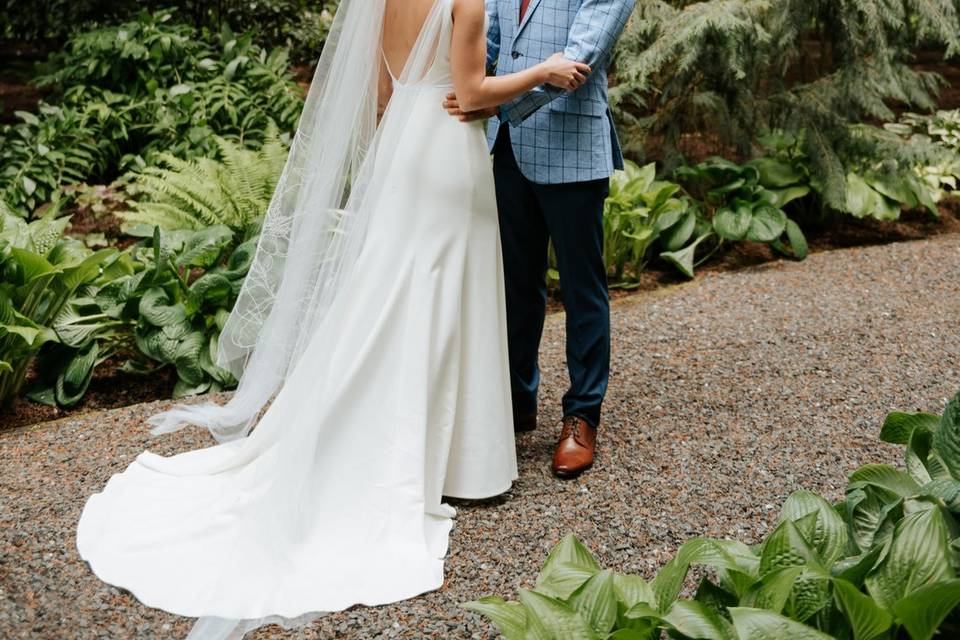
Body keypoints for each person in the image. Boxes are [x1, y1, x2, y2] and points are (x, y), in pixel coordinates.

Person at [76, 1, 591, 638]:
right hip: (446, 156)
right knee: (443, 297)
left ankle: (406, 436)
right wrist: (544, 70)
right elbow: (469, 91)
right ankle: (458, 460)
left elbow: (380, 93)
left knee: (390, 299)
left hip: (402, 145)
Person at [444, 0, 635, 478]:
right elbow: (490, 40)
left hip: (572, 150)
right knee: (515, 285)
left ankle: (582, 415)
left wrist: (496, 105)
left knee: (581, 289)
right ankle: (515, 401)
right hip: (509, 152)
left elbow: (579, 61)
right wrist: (460, 84)